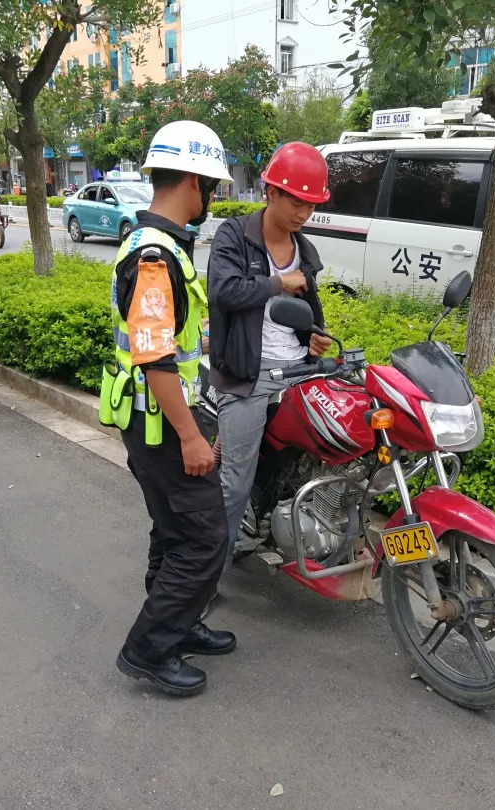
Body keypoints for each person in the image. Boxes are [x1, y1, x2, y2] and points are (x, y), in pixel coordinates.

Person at [100, 120, 235, 697]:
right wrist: (191, 437)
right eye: (213, 187)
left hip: (155, 421)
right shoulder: (156, 257)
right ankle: (150, 650)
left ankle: (178, 624)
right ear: (196, 182)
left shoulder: (157, 246)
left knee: (175, 530)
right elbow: (157, 361)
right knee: (205, 538)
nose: (214, 199)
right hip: (161, 427)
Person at [207, 142, 332, 569]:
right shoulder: (234, 235)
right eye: (296, 200)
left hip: (299, 369)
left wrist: (314, 337)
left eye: (311, 205)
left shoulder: (306, 251)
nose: (303, 212)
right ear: (271, 192)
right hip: (248, 374)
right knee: (234, 482)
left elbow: (307, 314)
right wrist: (280, 283)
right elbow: (223, 292)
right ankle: (208, 576)